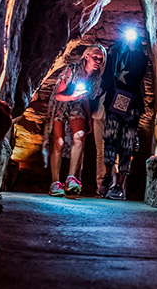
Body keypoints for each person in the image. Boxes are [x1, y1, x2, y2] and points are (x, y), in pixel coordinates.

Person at [43, 44, 107, 197]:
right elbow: (59, 95)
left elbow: (85, 99)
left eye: (101, 59)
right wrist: (72, 97)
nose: (98, 61)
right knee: (59, 143)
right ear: (86, 56)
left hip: (77, 105)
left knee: (79, 137)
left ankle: (71, 178)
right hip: (62, 103)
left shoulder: (94, 78)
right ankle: (55, 183)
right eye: (95, 57)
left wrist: (88, 119)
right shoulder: (72, 70)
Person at [99, 27, 148, 200]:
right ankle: (107, 176)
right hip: (114, 103)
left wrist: (134, 48)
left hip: (132, 104)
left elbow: (139, 71)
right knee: (110, 139)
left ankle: (120, 184)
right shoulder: (115, 54)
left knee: (127, 143)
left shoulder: (141, 57)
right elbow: (107, 78)